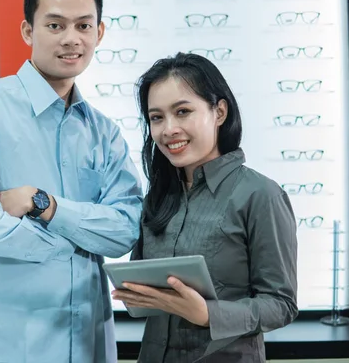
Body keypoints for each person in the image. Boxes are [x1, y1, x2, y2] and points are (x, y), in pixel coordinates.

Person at [0, 0, 143, 363]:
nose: (72, 39)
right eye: (55, 25)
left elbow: (125, 230)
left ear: (99, 33)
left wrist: (45, 206)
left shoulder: (104, 132)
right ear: (28, 32)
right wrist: (80, 241)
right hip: (7, 348)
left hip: (88, 345)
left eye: (84, 26)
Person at [111, 52, 298, 362]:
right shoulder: (158, 197)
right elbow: (142, 298)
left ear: (219, 112)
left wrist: (208, 314)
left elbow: (281, 305)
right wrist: (135, 294)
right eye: (156, 117)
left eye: (182, 111)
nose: (168, 129)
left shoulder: (261, 194)